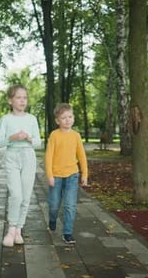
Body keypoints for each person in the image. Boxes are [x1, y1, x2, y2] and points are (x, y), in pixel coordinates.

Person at [0, 84, 41, 247]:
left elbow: (38, 142)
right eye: (18, 97)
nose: (22, 101)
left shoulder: (32, 119)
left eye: (25, 98)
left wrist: (29, 138)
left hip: (28, 156)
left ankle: (18, 230)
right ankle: (11, 228)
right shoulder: (5, 120)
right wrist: (12, 137)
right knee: (16, 194)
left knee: (26, 196)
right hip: (12, 156)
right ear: (10, 101)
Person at [45, 103, 88, 244]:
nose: (67, 120)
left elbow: (82, 156)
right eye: (63, 118)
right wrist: (50, 175)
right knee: (54, 205)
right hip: (56, 176)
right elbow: (49, 156)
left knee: (70, 205)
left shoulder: (76, 136)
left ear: (73, 118)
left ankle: (67, 233)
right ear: (58, 121)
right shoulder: (54, 135)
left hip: (72, 176)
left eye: (70, 116)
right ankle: (52, 219)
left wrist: (84, 174)